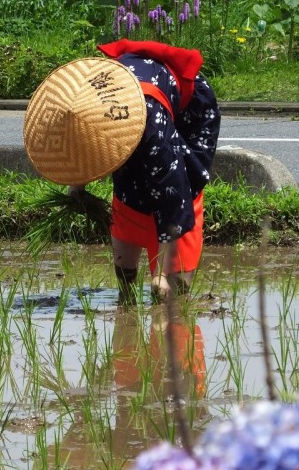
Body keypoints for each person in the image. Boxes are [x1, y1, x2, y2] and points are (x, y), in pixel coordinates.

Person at [23, 40, 221, 302]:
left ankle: (173, 287)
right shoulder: (81, 105)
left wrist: (161, 273)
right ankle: (126, 295)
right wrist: (77, 186)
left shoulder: (153, 129)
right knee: (129, 186)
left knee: (176, 190)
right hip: (128, 105)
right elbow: (81, 149)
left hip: (184, 117)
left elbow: (175, 193)